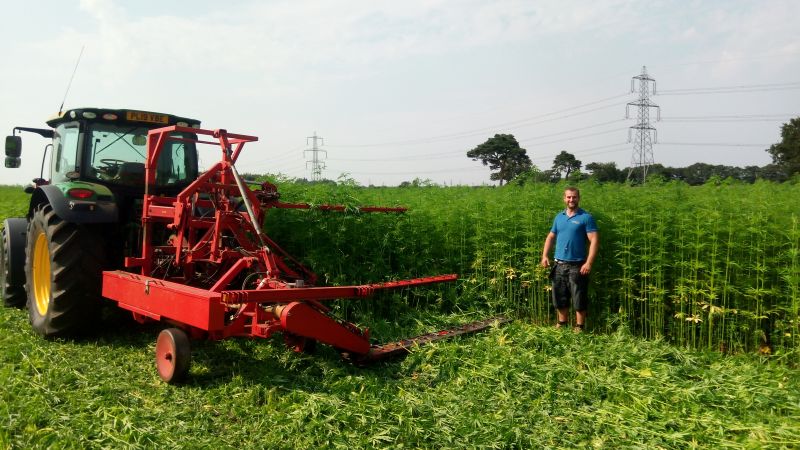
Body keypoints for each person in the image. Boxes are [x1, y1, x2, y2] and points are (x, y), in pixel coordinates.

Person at [540, 187, 599, 332]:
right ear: (564, 198)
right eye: (568, 197)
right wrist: (544, 255)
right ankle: (562, 323)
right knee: (560, 295)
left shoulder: (586, 217)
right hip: (558, 264)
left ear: (579, 198)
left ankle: (579, 326)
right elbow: (551, 237)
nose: (571, 200)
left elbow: (594, 240)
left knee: (579, 296)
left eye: (574, 197)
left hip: (577, 265)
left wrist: (589, 262)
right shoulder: (559, 217)